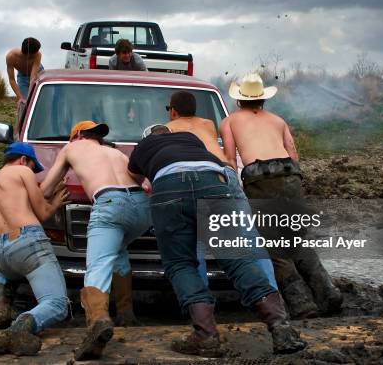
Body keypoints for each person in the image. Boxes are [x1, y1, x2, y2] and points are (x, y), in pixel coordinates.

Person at [128, 125, 306, 356]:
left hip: (169, 189)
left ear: (147, 138)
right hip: (213, 183)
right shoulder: (189, 137)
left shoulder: (143, 146)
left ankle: (206, 335)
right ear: (170, 133)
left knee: (181, 263)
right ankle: (280, 327)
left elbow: (135, 176)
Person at [220, 73, 343, 318]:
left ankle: (301, 304)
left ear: (239, 101)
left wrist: (238, 188)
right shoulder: (278, 120)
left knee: (275, 247)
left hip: (260, 179)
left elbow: (230, 159)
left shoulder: (230, 121)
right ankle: (328, 294)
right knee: (297, 240)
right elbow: (293, 154)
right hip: (290, 176)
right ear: (263, 100)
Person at [41, 121, 151, 361]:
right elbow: (142, 180)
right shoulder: (116, 153)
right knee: (117, 249)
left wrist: (51, 192)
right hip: (143, 208)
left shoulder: (72, 148)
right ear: (98, 137)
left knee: (98, 266)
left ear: (78, 135)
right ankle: (126, 313)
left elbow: (46, 190)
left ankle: (98, 322)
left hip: (110, 203)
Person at [164, 90, 276, 289]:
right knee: (249, 235)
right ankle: (271, 292)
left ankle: (202, 301)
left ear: (173, 111)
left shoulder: (167, 129)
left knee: (195, 240)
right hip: (226, 171)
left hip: (198, 177)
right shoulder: (208, 124)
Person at [0, 142, 69, 356]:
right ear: (23, 159)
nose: (32, 172)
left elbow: (17, 208)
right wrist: (56, 203)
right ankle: (19, 328)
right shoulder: (22, 171)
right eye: (32, 166)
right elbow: (42, 213)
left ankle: (2, 302)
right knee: (57, 304)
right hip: (27, 243)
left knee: (11, 267)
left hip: (2, 254)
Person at [6, 37, 45, 134]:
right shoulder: (11, 56)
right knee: (23, 104)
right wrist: (20, 97)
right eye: (35, 53)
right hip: (22, 77)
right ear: (28, 54)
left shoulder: (38, 55)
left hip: (38, 73)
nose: (38, 53)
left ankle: (40, 130)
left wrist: (32, 93)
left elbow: (33, 77)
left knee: (38, 102)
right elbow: (11, 79)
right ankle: (19, 134)